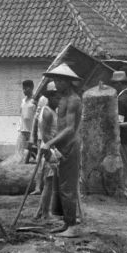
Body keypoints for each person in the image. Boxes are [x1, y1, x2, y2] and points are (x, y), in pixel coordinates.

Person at [39, 63, 83, 238]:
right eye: (55, 80)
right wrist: (52, 144)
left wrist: (50, 142)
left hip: (71, 146)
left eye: (58, 81)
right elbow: (61, 126)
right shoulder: (63, 99)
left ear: (66, 81)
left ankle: (72, 226)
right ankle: (67, 221)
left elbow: (70, 128)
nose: (56, 84)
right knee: (62, 186)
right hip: (62, 146)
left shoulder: (74, 100)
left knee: (68, 188)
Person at [33, 82, 60, 221]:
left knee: (50, 183)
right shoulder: (47, 112)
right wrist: (53, 149)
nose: (59, 100)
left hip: (51, 147)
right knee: (49, 183)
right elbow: (44, 134)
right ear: (50, 97)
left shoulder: (53, 111)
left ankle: (39, 211)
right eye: (56, 97)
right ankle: (45, 213)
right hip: (48, 149)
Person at [111, 70, 127, 199]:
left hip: (123, 137)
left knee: (125, 165)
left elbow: (119, 122)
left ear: (120, 84)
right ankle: (125, 189)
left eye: (115, 84)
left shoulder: (121, 100)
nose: (114, 87)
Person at [19, 80, 37, 161]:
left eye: (26, 88)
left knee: (29, 150)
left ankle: (33, 156)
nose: (24, 91)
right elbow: (21, 114)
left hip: (32, 130)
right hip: (24, 130)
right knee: (23, 153)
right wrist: (20, 127)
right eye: (23, 89)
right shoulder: (23, 101)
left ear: (31, 88)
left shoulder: (35, 101)